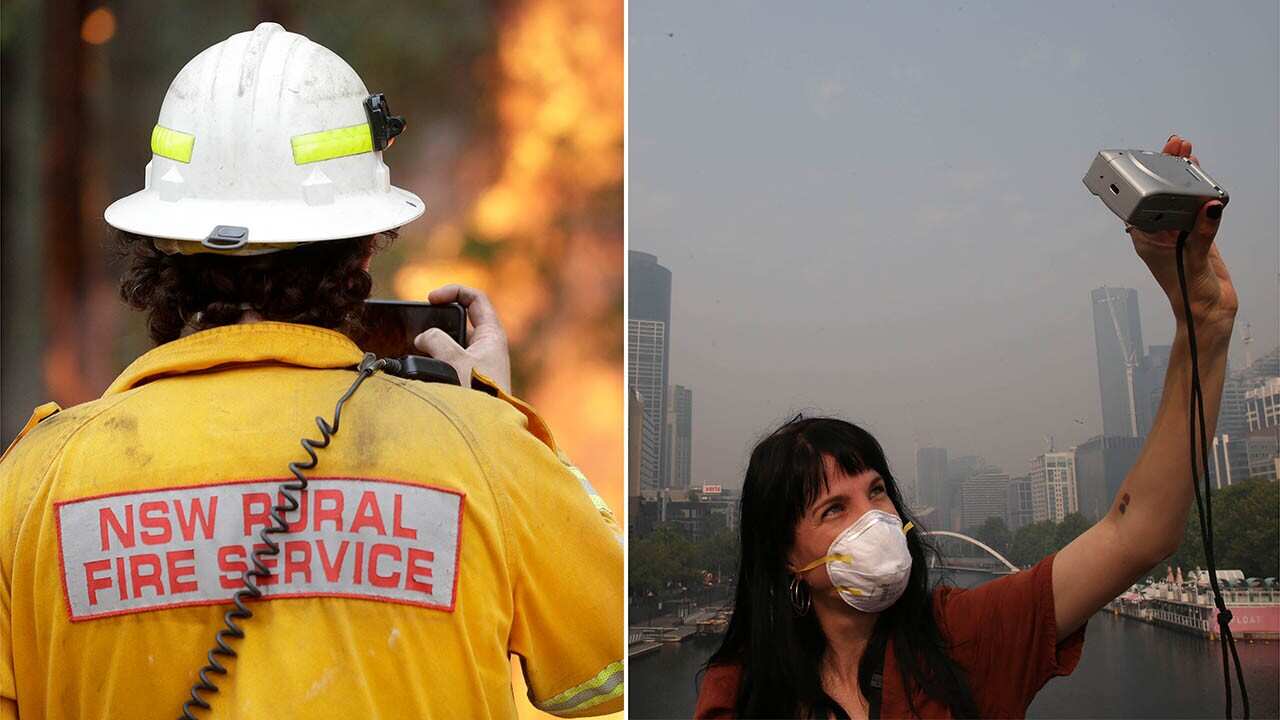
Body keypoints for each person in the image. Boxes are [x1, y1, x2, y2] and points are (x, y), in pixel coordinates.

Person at [0, 23, 622, 719]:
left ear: (164, 246)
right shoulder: (484, 451)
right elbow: (607, 667)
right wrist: (499, 417)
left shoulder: (30, 483)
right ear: (361, 249)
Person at [694, 134, 1235, 719]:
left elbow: (1138, 533)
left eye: (876, 491)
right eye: (834, 509)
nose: (874, 519)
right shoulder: (741, 693)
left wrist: (1203, 323)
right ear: (783, 555)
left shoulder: (965, 638)